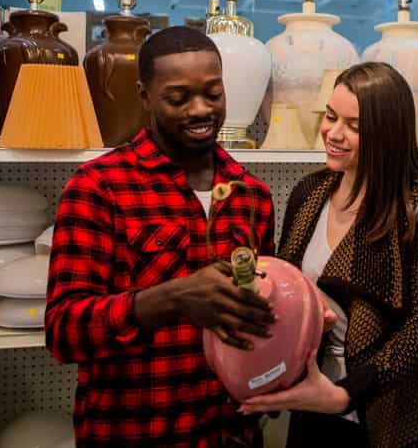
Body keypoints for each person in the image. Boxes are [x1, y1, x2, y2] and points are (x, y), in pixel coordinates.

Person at [45, 26, 277, 448]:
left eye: (213, 93)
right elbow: (63, 331)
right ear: (145, 94)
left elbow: (260, 312)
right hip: (137, 431)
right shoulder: (99, 187)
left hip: (232, 433)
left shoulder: (252, 195)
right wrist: (172, 299)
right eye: (178, 98)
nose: (200, 109)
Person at [239, 62, 418, 447]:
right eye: (330, 116)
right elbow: (291, 284)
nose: (333, 133)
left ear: (388, 133)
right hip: (313, 398)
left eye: (354, 126)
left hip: (394, 411)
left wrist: (344, 395)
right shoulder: (309, 194)